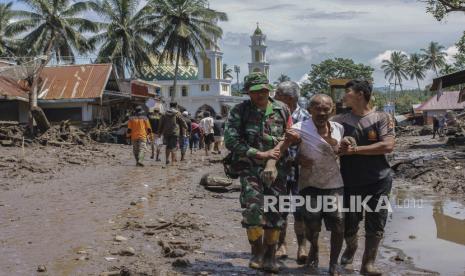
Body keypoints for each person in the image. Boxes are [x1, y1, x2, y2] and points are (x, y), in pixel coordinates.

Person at [224, 72, 293, 273]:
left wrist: (273, 157)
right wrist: (260, 154)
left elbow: (288, 136)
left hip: (277, 168)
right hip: (250, 167)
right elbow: (231, 141)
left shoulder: (282, 109)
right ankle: (257, 252)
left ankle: (270, 255)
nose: (261, 94)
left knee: (275, 211)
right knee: (253, 210)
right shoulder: (240, 111)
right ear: (248, 92)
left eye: (264, 89)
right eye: (256, 91)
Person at [332, 80, 395, 275]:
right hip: (350, 181)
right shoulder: (339, 121)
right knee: (349, 223)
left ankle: (368, 263)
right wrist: (340, 148)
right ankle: (351, 247)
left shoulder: (382, 117)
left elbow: (388, 146)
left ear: (360, 94)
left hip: (379, 179)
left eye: (347, 92)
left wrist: (355, 150)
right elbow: (332, 148)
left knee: (376, 222)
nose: (344, 96)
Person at [283, 94, 345, 275]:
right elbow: (283, 153)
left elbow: (343, 149)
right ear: (310, 110)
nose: (322, 113)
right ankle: (314, 249)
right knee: (311, 226)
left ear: (332, 110)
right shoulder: (298, 129)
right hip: (309, 185)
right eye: (317, 108)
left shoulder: (338, 128)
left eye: (326, 109)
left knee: (339, 222)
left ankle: (334, 264)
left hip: (334, 183)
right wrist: (297, 159)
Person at [273, 81, 310, 263]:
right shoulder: (274, 114)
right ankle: (282, 245)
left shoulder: (306, 117)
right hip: (279, 170)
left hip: (299, 171)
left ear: (289, 98)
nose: (274, 98)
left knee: (300, 211)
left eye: (278, 95)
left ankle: (302, 246)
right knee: (280, 209)